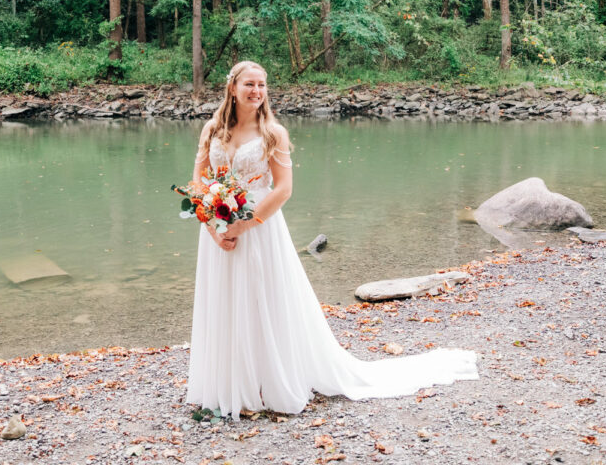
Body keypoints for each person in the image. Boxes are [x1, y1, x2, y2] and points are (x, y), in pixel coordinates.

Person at [185, 60, 479, 418]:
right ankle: (227, 383)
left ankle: (264, 381)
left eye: (262, 85)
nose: (256, 92)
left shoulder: (273, 133)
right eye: (249, 84)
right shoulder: (212, 130)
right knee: (225, 302)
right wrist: (216, 230)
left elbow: (284, 189)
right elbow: (198, 184)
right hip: (217, 231)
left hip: (259, 229)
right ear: (232, 87)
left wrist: (245, 225)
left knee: (261, 301)